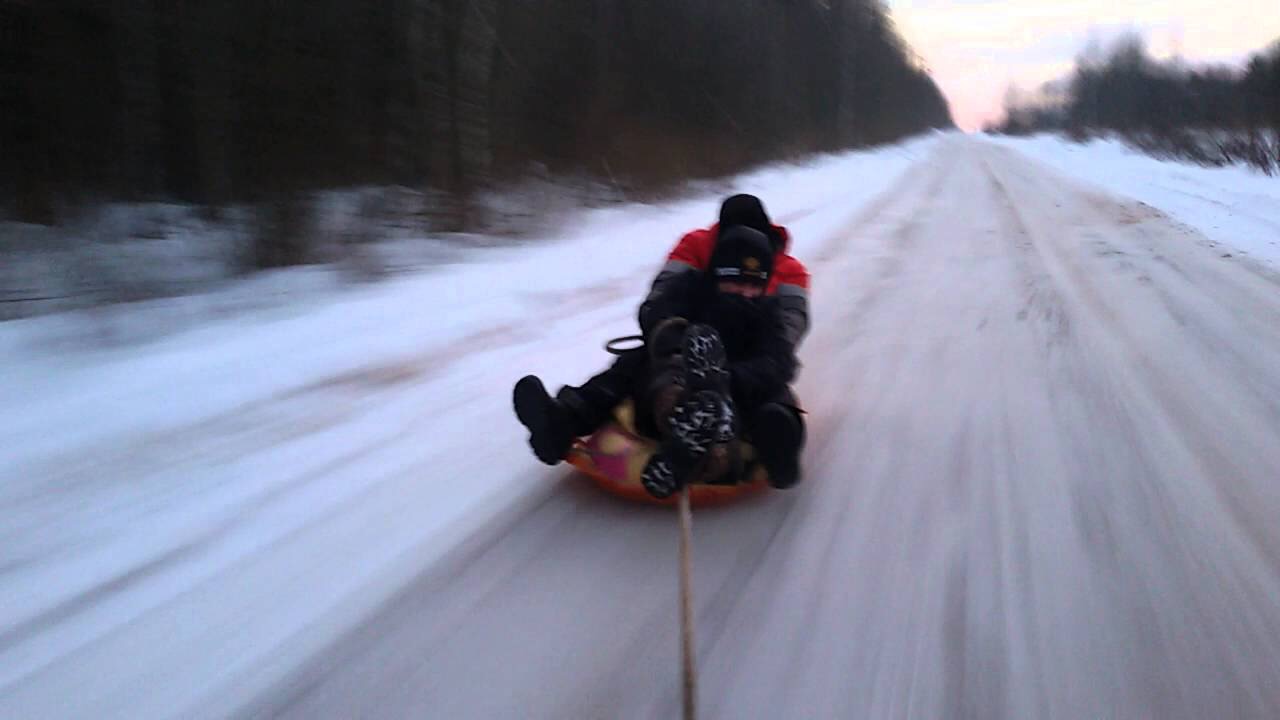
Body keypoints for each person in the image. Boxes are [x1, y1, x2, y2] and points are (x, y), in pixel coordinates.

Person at [513, 195, 809, 497]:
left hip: (741, 369)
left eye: (752, 284)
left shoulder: (779, 288)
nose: (744, 291)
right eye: (734, 280)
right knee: (635, 367)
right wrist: (672, 338)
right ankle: (564, 420)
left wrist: (730, 373)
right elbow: (660, 303)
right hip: (686, 362)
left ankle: (770, 445)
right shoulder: (696, 265)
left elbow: (785, 338)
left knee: (771, 394)